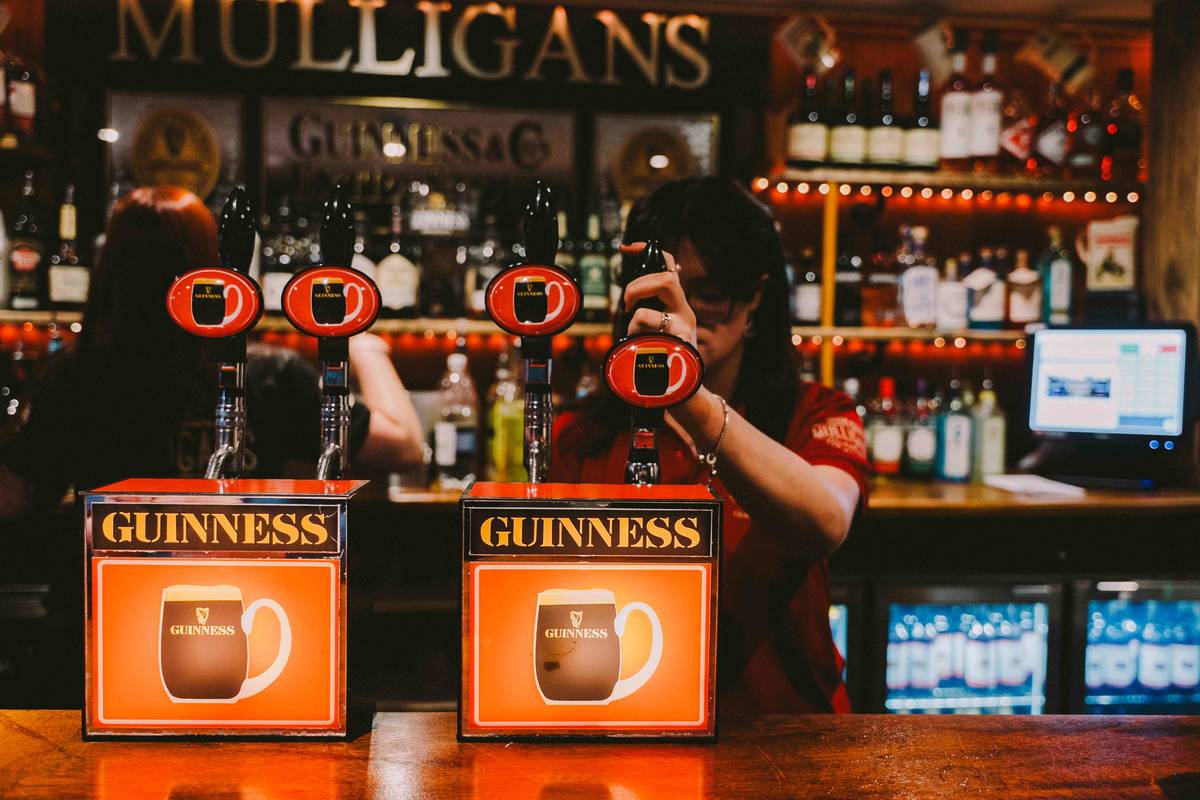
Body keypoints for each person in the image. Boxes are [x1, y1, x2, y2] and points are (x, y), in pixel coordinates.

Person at [551, 177, 868, 717]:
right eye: (669, 291)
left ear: (757, 297)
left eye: (710, 295)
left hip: (790, 733)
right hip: (632, 721)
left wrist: (687, 391)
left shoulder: (817, 412)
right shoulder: (581, 431)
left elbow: (826, 522)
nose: (689, 314)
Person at [0, 186, 424, 515]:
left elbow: (14, 497)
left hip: (108, 598)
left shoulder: (78, 374)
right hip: (240, 593)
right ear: (214, 262)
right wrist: (366, 348)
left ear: (110, 270)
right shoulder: (268, 373)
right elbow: (404, 448)